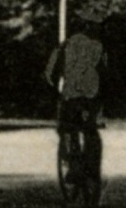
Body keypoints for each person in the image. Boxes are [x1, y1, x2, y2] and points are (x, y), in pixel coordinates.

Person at [45, 9, 107, 181]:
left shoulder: (65, 46)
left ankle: (74, 166)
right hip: (92, 96)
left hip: (70, 95)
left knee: (66, 128)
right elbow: (105, 73)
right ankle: (93, 169)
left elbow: (50, 73)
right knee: (92, 129)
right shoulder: (99, 47)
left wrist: (55, 90)